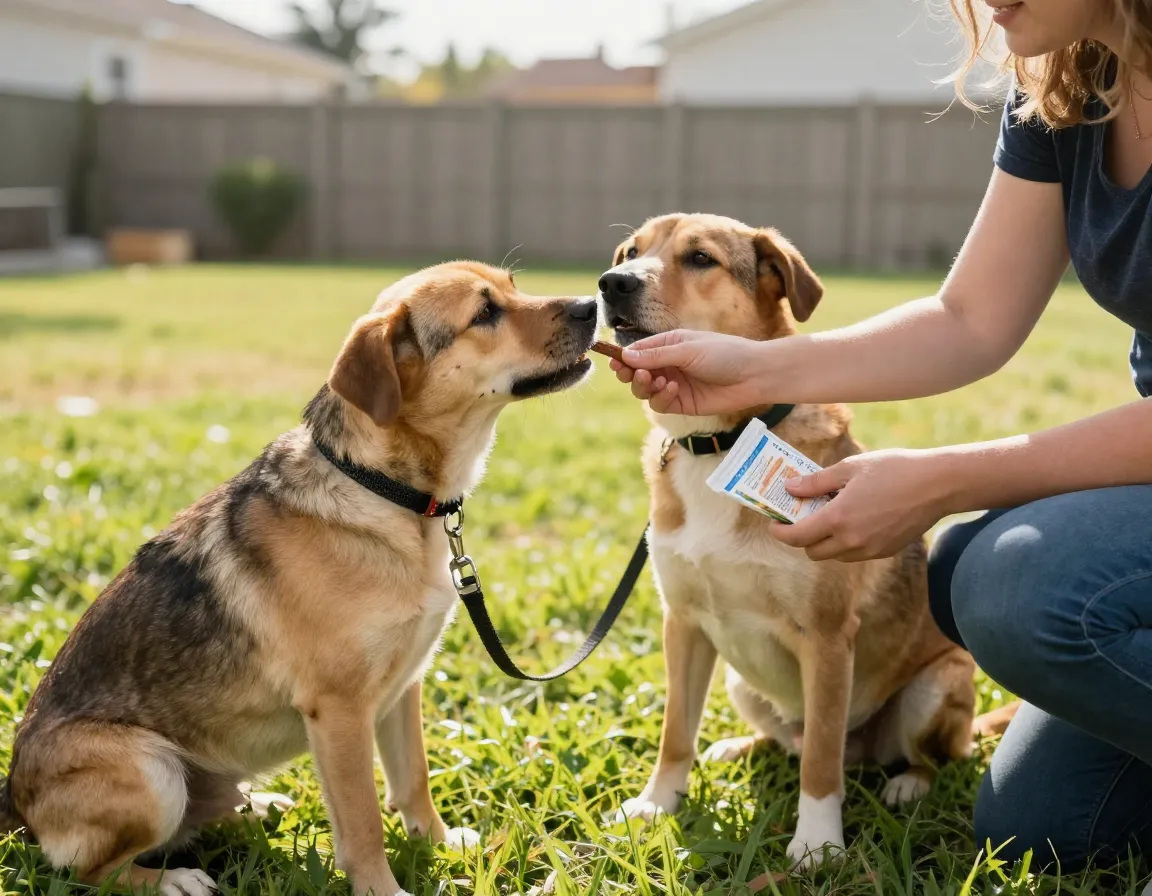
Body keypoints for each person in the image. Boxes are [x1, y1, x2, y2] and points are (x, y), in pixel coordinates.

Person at [609, 0, 1152, 877]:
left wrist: (942, 480)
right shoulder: (1065, 93)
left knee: (1001, 577)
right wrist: (759, 372)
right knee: (1049, 828)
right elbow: (968, 318)